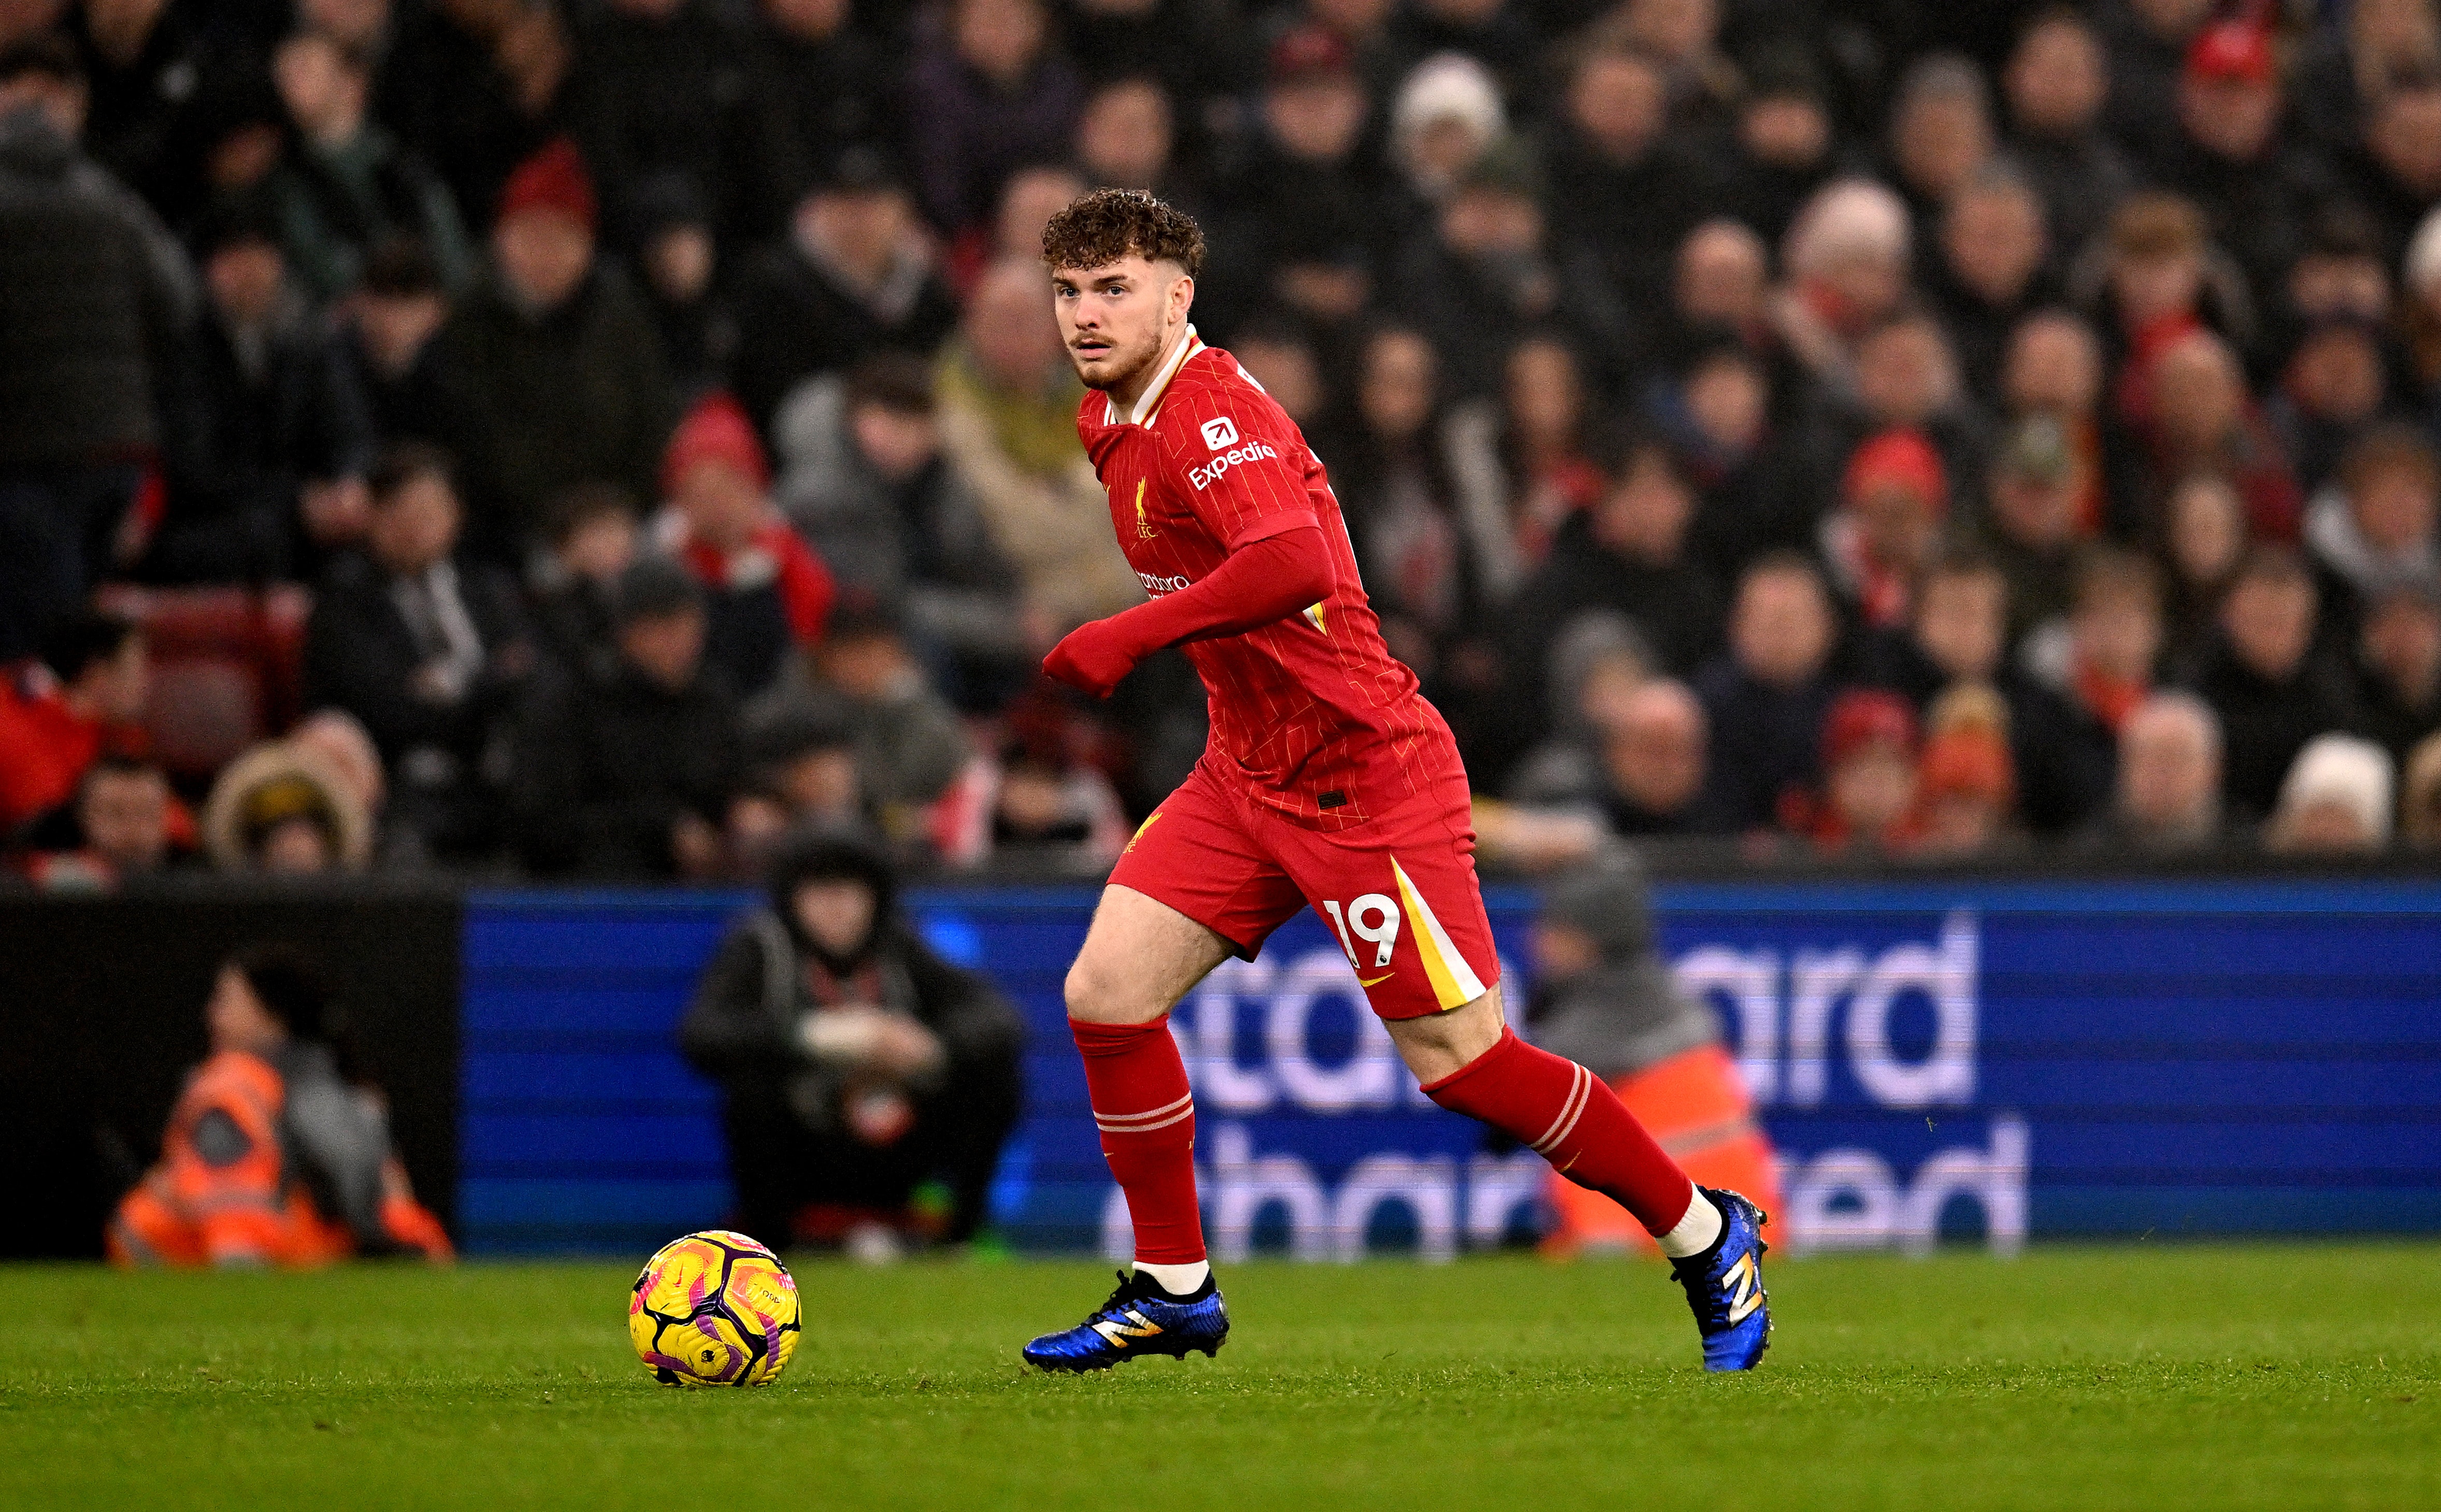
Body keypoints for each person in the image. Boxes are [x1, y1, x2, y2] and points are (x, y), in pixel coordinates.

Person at [1018, 189, 1771, 1374]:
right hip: (1246, 770)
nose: (1085, 314)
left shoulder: (1210, 410)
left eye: (1113, 289)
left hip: (1360, 773)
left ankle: (1703, 1232)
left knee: (1464, 1064)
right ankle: (1173, 1288)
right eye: (1067, 291)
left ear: (1178, 295)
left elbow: (1294, 559)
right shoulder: (1110, 420)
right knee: (1108, 994)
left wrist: (1130, 635)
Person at [678, 832, 1024, 1253]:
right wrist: (813, 1036)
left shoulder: (897, 946)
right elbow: (702, 1033)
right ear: (793, 898)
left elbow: (1000, 1020)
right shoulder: (762, 947)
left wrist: (931, 1047)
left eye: (851, 892)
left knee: (993, 1077)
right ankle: (771, 1245)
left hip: (895, 1135)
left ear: (874, 898)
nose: (837, 908)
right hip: (806, 1142)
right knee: (751, 1090)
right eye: (820, 892)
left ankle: (958, 1239)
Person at [110, 943, 451, 1268]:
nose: (211, 1014)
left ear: (270, 1016)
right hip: (335, 1258)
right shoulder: (352, 1090)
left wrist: (241, 1269)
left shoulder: (232, 1084)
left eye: (225, 1001)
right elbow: (388, 1203)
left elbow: (234, 1205)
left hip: (227, 1262)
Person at [1527, 858, 1780, 1256]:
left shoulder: (1586, 1036)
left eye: (1556, 930)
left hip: (1659, 1259)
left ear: (1590, 942)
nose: (1539, 943)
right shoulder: (1676, 1013)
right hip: (1751, 1251)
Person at [510, 554, 742, 878]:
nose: (680, 644)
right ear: (627, 635)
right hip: (599, 886)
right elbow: (549, 819)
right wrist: (664, 828)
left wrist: (750, 807)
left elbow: (730, 777)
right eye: (662, 630)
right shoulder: (575, 704)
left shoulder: (711, 699)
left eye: (689, 627)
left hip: (703, 876)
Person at [0, 609, 149, 833]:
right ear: (97, 675)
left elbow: (170, 822)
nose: (146, 684)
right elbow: (42, 819)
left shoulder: (120, 734)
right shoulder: (13, 727)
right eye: (137, 671)